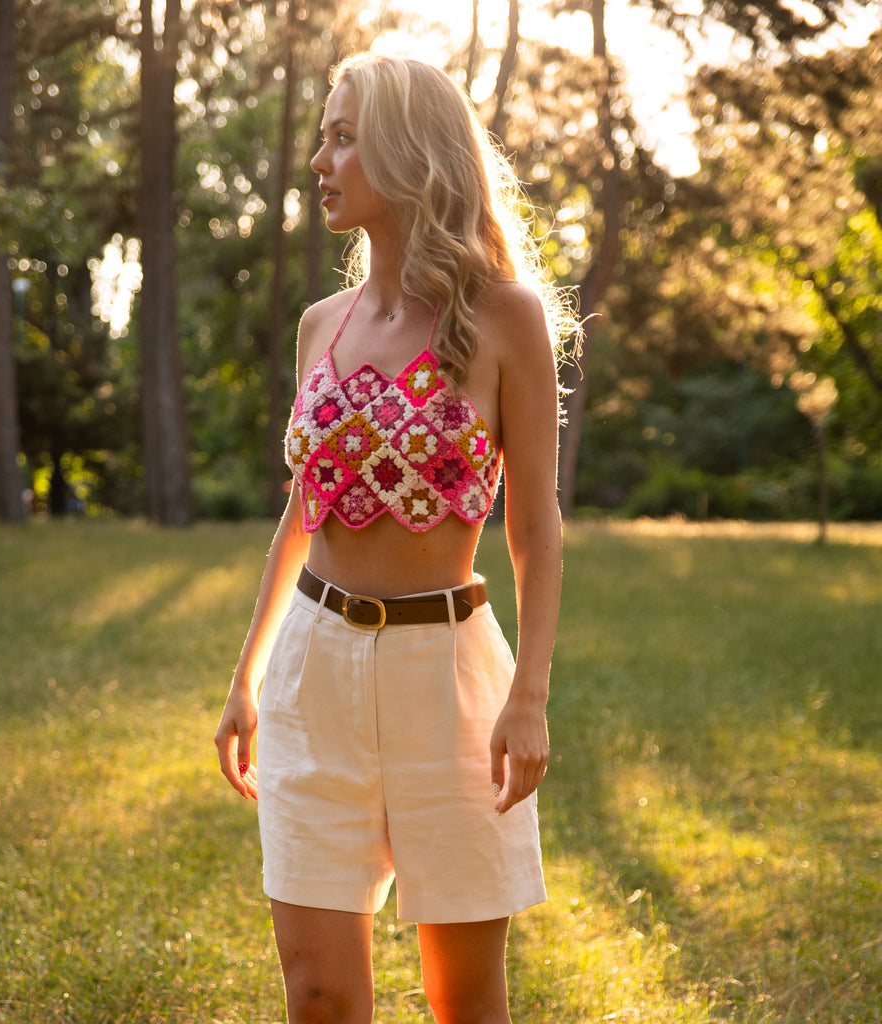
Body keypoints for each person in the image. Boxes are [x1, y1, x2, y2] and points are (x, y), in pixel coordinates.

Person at [215, 52, 573, 1024]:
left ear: (409, 152)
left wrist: (528, 696)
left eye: (342, 137)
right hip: (311, 673)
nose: (320, 160)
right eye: (321, 137)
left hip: (447, 683)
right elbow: (307, 504)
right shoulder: (319, 324)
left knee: (464, 1002)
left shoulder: (504, 317)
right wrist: (247, 678)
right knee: (319, 994)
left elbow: (534, 526)